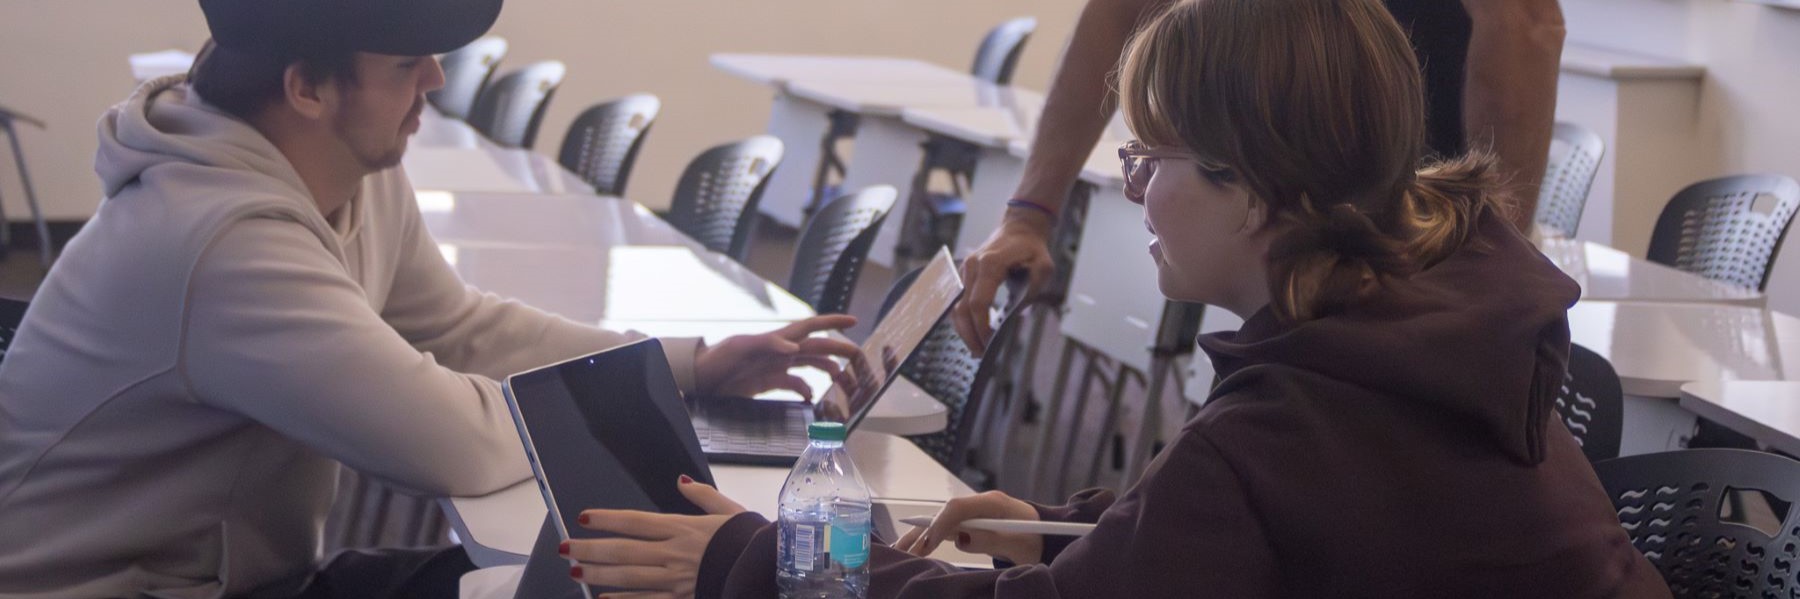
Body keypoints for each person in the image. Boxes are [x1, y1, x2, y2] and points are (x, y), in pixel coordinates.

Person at [556, 1, 1671, 596]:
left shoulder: (1298, 420)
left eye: (1151, 158)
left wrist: (756, 564)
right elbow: (1271, 538)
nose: (1127, 183)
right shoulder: (1428, 336)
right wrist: (1072, 532)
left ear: (1259, 186)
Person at [0, 1, 860, 597]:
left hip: (232, 575)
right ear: (307, 87)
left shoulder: (339, 168)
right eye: (408, 62)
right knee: (586, 580)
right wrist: (622, 410)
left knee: (564, 580)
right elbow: (456, 442)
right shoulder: (216, 239)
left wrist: (686, 364)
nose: (438, 82)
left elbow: (458, 327)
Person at [951, 0, 1566, 352]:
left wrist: (1488, 272)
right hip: (1297, 188)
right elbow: (1119, 11)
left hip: (1399, 190)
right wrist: (1029, 213)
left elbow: (1525, 23)